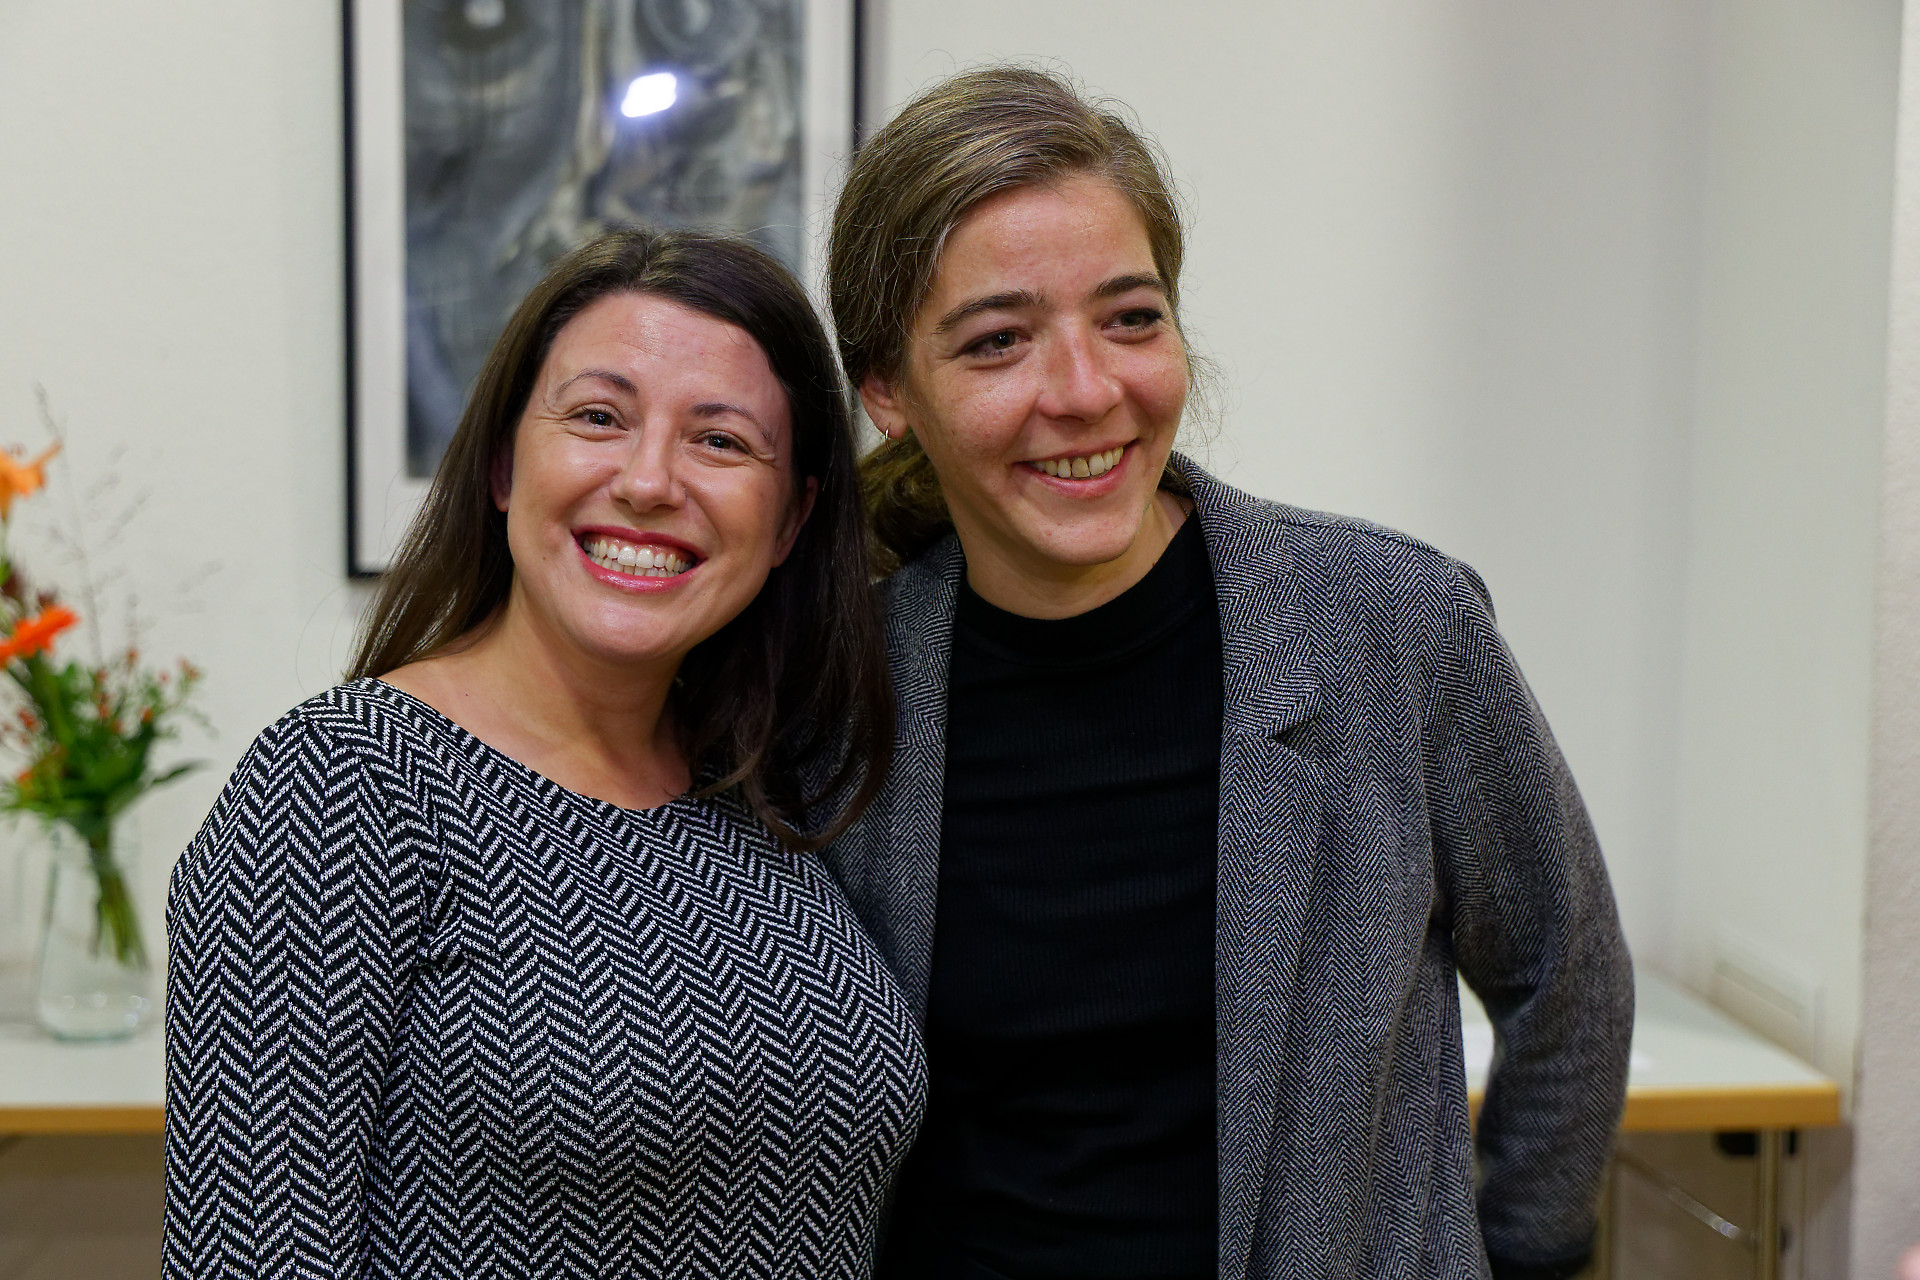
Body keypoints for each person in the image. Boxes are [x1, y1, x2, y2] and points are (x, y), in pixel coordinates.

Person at [824, 66, 1633, 1280]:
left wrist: (1521, 1254)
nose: (1087, 389)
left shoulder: (1392, 628)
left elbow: (1567, 980)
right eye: (998, 341)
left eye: (1130, 318)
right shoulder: (843, 689)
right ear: (889, 390)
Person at [163, 228, 925, 1279]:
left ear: (792, 517)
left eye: (720, 440)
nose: (648, 481)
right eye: (599, 417)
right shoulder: (345, 784)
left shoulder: (772, 792)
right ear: (502, 464)